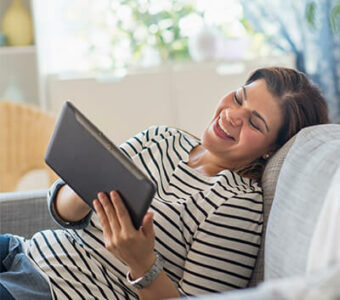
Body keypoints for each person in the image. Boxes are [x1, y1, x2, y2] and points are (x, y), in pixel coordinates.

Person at [0, 67, 329, 300]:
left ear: (270, 148)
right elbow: (64, 215)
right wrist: (83, 185)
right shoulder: (160, 137)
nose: (232, 115)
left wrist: (140, 262)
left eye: (254, 122)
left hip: (54, 290)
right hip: (23, 249)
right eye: (240, 98)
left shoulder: (238, 206)